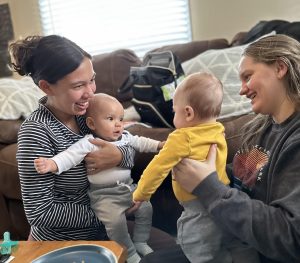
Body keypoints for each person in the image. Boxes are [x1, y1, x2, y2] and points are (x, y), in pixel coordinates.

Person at [142, 34, 300, 263]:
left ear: (280, 68)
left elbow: (290, 238)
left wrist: (209, 186)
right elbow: (246, 175)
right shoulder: (263, 127)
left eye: (248, 77)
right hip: (236, 240)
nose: (242, 90)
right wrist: (199, 163)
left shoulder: (295, 141)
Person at [9, 35, 136, 241]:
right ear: (47, 87)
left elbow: (128, 143)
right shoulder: (36, 132)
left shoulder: (88, 113)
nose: (90, 93)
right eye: (78, 86)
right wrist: (108, 214)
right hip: (65, 241)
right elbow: (40, 212)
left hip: (110, 229)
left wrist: (118, 156)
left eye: (92, 80)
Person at [34, 93, 164, 263]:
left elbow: (142, 142)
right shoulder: (89, 142)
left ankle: (140, 241)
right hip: (104, 195)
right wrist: (52, 164)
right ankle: (129, 251)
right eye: (110, 119)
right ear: (92, 124)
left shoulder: (125, 137)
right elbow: (70, 155)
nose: (118, 124)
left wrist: (160, 145)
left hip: (127, 186)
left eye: (121, 118)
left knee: (146, 208)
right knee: (115, 222)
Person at [132, 72, 232, 263]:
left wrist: (140, 194)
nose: (173, 115)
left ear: (188, 113)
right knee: (224, 242)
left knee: (196, 249)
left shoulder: (182, 137)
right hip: (224, 199)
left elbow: (157, 167)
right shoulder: (218, 130)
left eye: (174, 110)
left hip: (198, 207)